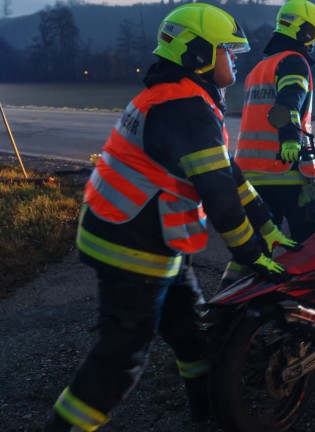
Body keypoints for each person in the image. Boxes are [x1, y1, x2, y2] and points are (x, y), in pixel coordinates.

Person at [43, 4, 297, 431]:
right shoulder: (184, 108)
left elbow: (228, 175)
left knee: (189, 333)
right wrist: (253, 255)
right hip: (131, 247)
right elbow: (219, 199)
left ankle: (207, 412)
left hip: (155, 240)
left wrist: (268, 226)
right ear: (198, 53)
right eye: (226, 51)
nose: (234, 58)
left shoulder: (182, 97)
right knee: (120, 359)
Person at [234, 0, 315, 246]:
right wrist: (290, 140)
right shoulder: (294, 62)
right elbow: (289, 104)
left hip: (251, 173)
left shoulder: (259, 68)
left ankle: (235, 284)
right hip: (287, 171)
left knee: (256, 248)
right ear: (304, 30)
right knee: (311, 247)